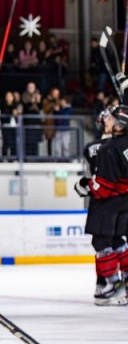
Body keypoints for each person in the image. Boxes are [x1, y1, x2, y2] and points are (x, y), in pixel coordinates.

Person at [76, 107, 128, 305]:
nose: (106, 121)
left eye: (110, 119)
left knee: (103, 243)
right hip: (124, 201)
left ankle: (111, 284)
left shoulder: (106, 148)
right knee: (118, 240)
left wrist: (85, 186)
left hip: (107, 204)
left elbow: (103, 188)